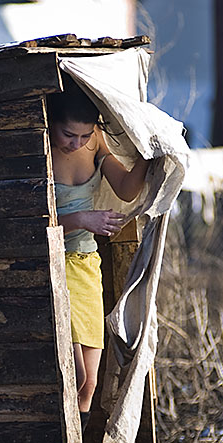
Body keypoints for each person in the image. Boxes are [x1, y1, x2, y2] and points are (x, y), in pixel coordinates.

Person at [48, 87, 152, 420]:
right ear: (52, 124)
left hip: (86, 265)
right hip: (53, 266)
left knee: (89, 383)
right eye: (68, 134)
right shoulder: (41, 149)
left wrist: (149, 156)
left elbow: (126, 188)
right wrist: (80, 219)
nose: (75, 144)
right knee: (72, 375)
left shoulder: (94, 144)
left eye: (83, 135)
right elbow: (27, 223)